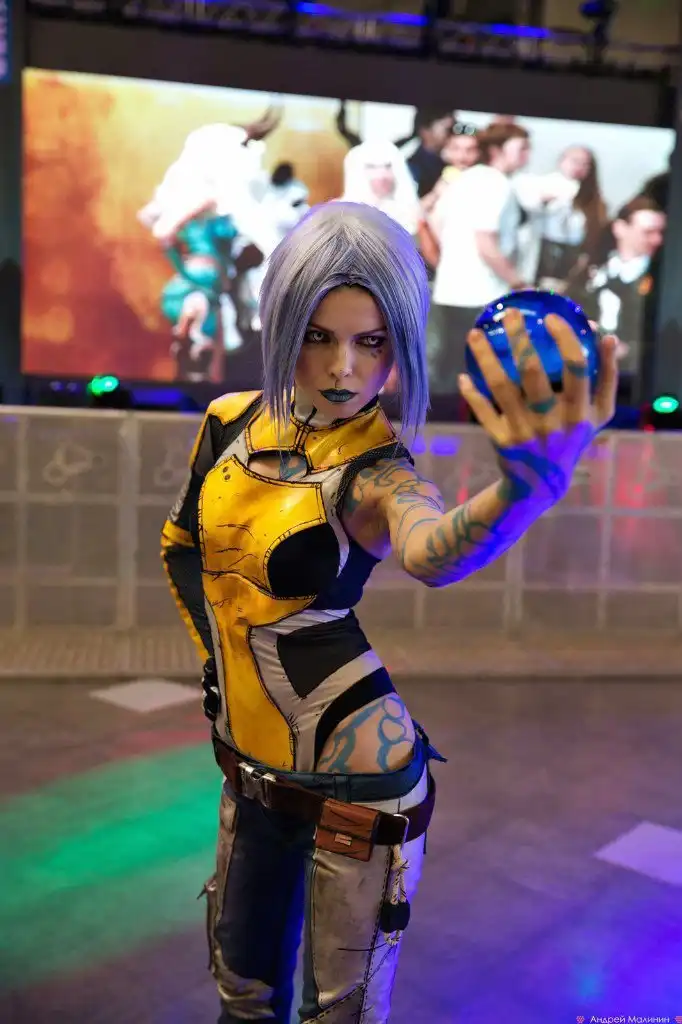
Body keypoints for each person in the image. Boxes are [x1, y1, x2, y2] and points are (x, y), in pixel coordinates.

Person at [160, 201, 618, 1024]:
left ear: (399, 343)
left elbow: (431, 550)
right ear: (281, 323)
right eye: (318, 335)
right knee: (240, 994)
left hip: (360, 785)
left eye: (371, 342)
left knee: (340, 1016)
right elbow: (182, 549)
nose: (343, 368)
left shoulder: (379, 471)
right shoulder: (230, 421)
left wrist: (526, 490)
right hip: (249, 765)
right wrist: (219, 677)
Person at [426, 122, 531, 394]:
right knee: (477, 377)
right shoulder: (495, 183)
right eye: (521, 148)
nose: (527, 155)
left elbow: (435, 220)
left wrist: (455, 258)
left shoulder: (466, 178)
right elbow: (485, 242)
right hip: (481, 293)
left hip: (452, 290)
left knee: (450, 372)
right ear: (496, 150)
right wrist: (519, 283)